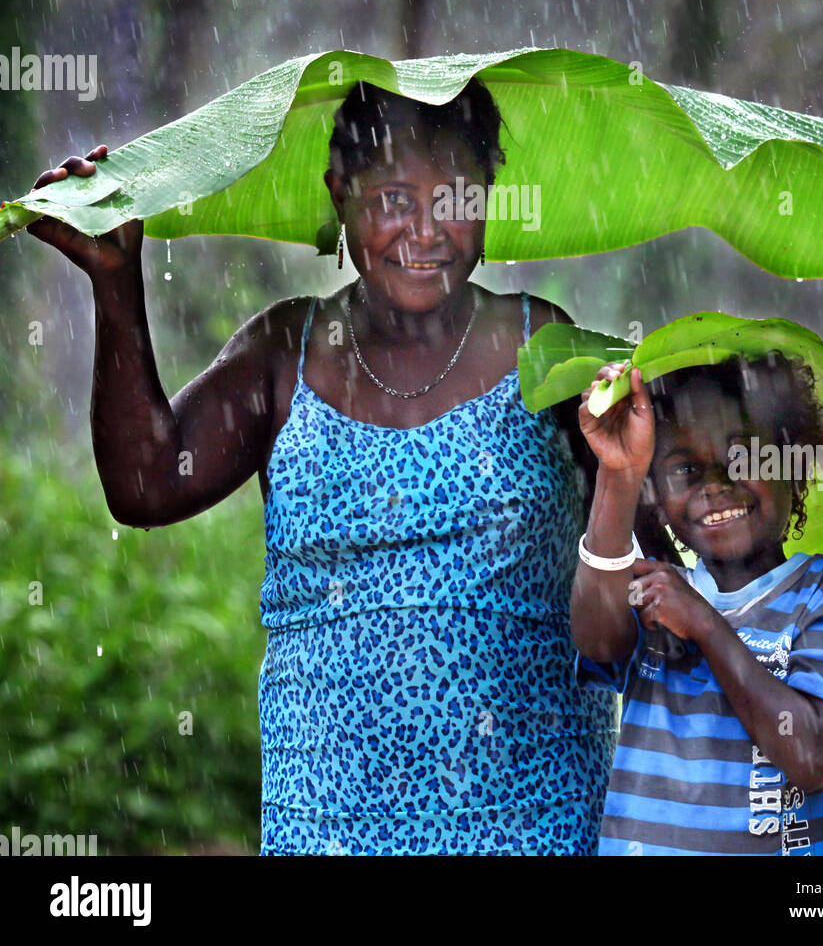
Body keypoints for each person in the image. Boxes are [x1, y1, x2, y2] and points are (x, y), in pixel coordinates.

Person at [25, 76, 675, 856]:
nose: (426, 232)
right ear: (340, 193)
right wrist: (115, 282)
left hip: (533, 821)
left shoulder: (543, 349)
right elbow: (146, 486)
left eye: (456, 198)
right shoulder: (285, 355)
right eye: (394, 198)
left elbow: (649, 561)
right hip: (329, 826)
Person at [571, 351, 823, 856]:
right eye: (685, 469)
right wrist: (619, 470)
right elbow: (596, 638)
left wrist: (704, 623)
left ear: (793, 463)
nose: (715, 485)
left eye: (743, 457)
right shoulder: (657, 591)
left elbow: (809, 755)